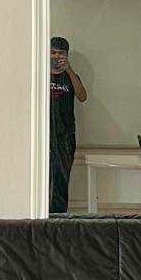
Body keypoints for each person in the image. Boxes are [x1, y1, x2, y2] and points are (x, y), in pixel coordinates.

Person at [48, 36, 87, 214]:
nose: (56, 56)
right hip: (43, 135)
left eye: (61, 53)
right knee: (42, 180)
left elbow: (82, 96)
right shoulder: (39, 74)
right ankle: (41, 218)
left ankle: (58, 219)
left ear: (66, 55)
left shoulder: (70, 76)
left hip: (65, 137)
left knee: (61, 181)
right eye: (53, 52)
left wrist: (69, 70)